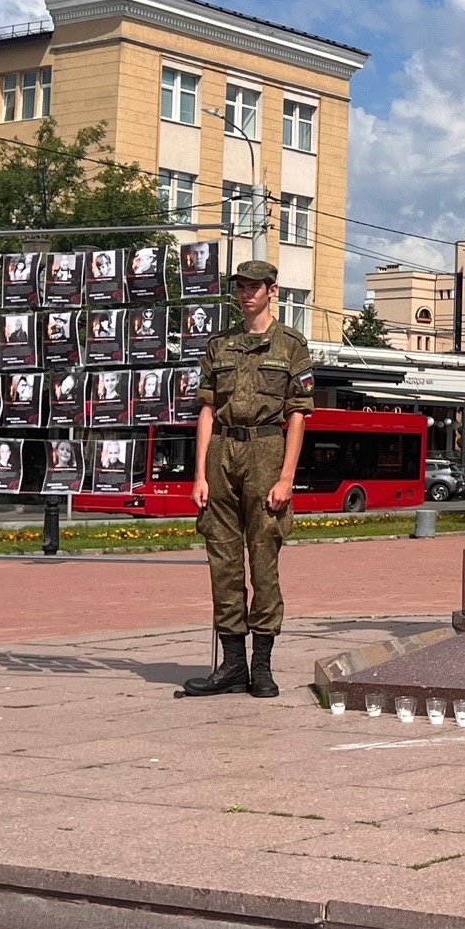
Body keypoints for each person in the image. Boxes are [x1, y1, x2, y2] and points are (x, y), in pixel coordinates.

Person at [183, 260, 313, 699]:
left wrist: (286, 478)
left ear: (272, 290)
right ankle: (233, 664)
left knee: (263, 562)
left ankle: (262, 665)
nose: (246, 294)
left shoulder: (291, 344)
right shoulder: (220, 344)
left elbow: (297, 415)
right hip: (221, 451)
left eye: (254, 287)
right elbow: (205, 408)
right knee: (222, 562)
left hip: (265, 453)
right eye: (240, 286)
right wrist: (199, 472)